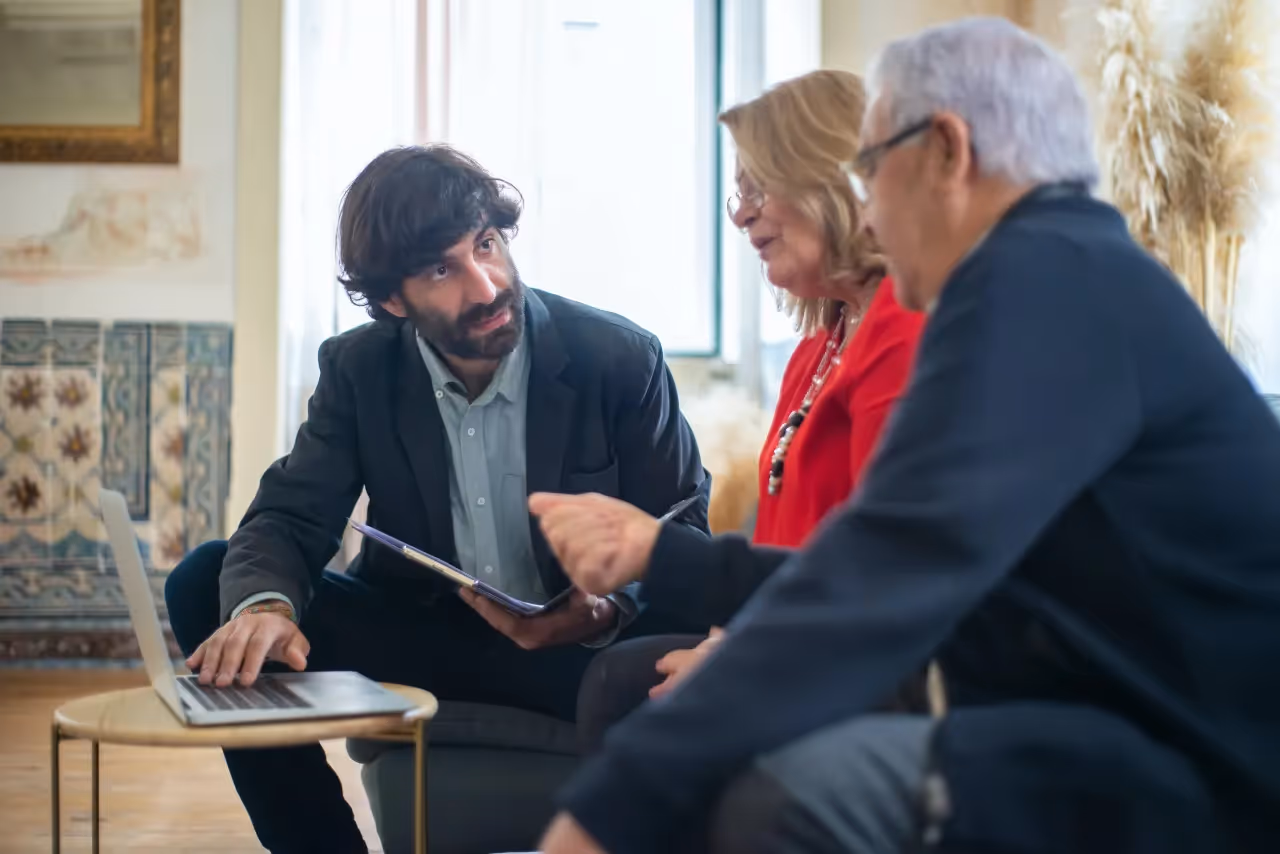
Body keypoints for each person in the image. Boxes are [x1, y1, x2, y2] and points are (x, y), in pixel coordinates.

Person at [534, 17, 1280, 854]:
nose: (869, 208)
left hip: (1198, 768)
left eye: (869, 168)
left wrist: (608, 808)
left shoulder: (1034, 285)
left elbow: (887, 565)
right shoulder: (1072, 271)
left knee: (788, 800)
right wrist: (671, 563)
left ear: (946, 152)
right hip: (1136, 727)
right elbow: (886, 557)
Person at [162, 144, 711, 854]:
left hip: (586, 649)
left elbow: (683, 523)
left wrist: (606, 604)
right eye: (441, 269)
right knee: (209, 582)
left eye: (486, 245)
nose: (485, 286)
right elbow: (291, 515)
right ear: (393, 299)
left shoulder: (619, 357)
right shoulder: (359, 369)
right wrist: (266, 607)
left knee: (672, 660)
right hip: (429, 634)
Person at [573, 70, 925, 747]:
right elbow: (778, 544)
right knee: (623, 682)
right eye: (739, 192)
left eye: (759, 186)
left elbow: (883, 569)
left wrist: (736, 656)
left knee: (625, 691)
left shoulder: (904, 330)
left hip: (858, 658)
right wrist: (725, 638)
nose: (740, 214)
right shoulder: (816, 350)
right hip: (794, 629)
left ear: (831, 179)